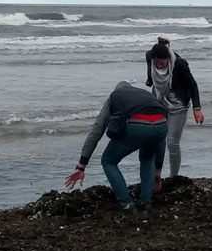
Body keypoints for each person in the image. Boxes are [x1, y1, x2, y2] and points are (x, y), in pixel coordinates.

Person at [65, 82, 168, 210]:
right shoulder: (146, 95)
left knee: (108, 161)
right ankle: (146, 201)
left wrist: (81, 166)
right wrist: (158, 169)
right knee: (147, 158)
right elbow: (161, 140)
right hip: (162, 124)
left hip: (139, 125)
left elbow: (96, 131)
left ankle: (126, 204)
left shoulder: (114, 97)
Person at [145, 38, 204, 177]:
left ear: (168, 59)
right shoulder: (149, 56)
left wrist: (197, 109)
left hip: (179, 103)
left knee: (172, 142)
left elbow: (193, 85)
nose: (159, 66)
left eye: (162, 63)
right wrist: (163, 45)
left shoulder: (180, 64)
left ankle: (173, 177)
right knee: (156, 137)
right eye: (156, 63)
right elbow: (154, 57)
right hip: (159, 100)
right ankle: (154, 174)